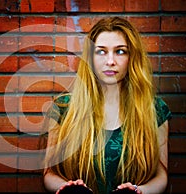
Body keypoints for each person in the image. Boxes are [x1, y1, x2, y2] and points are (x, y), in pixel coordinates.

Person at [41, 17, 171, 194]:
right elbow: (49, 174)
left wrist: (139, 191)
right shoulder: (63, 109)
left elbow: (161, 175)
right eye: (101, 52)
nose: (110, 61)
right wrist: (68, 189)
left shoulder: (154, 109)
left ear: (131, 57)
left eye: (120, 51)